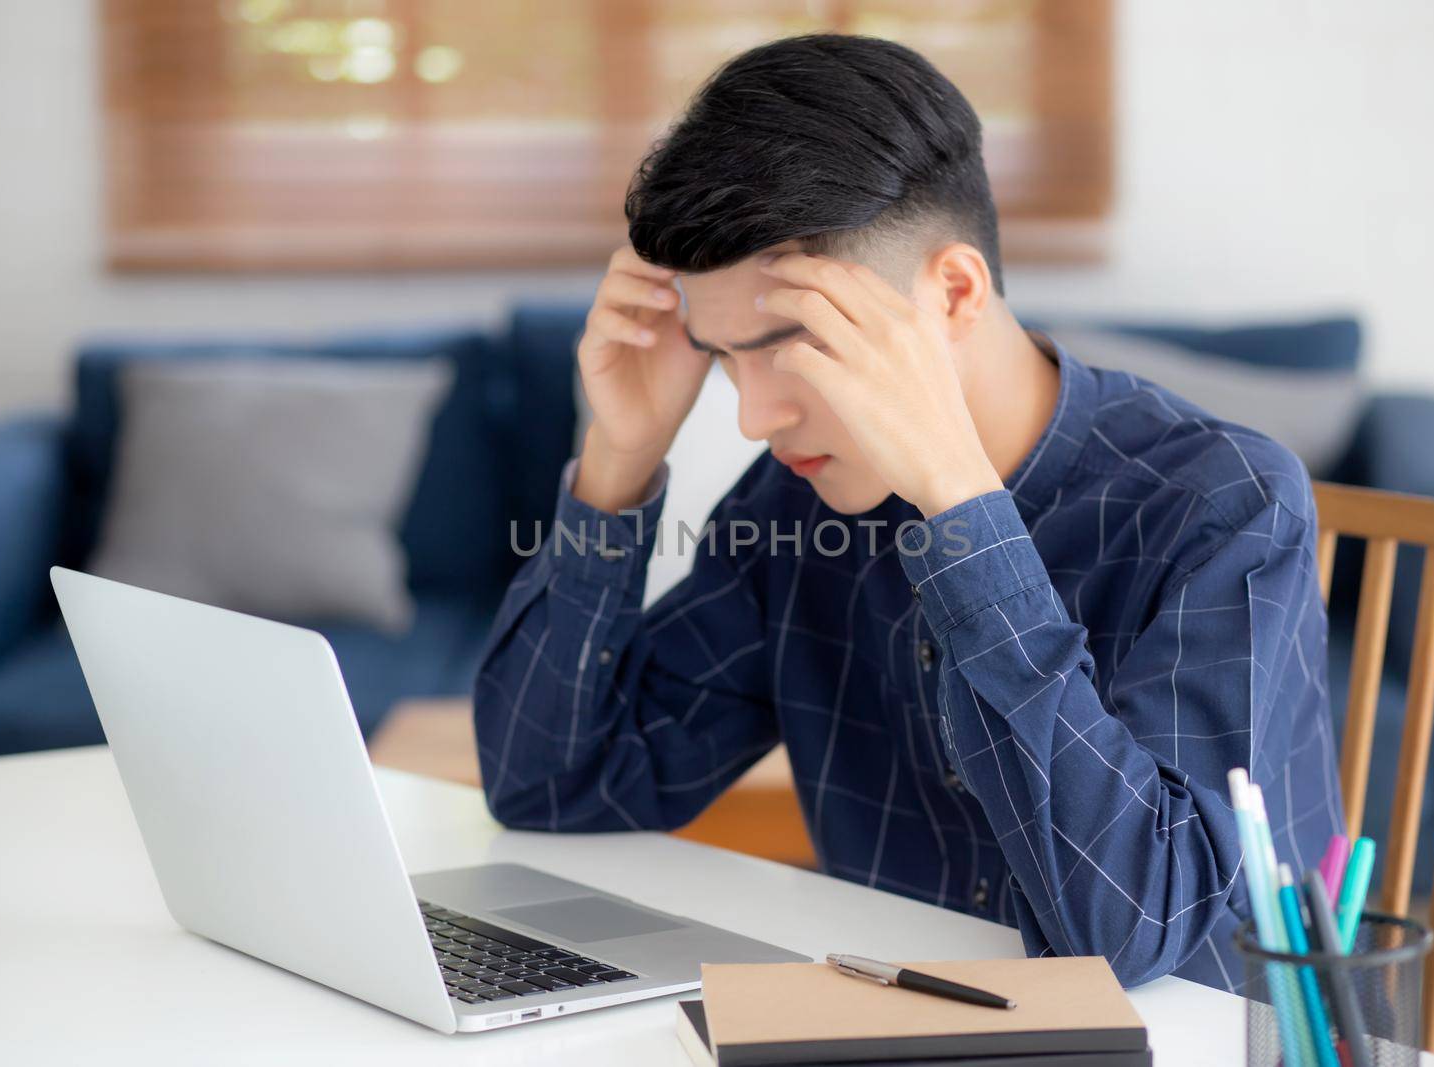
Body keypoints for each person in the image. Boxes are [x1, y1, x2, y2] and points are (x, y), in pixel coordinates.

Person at [472, 34, 1343, 991]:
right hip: (901, 1023)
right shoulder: (799, 502)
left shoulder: (1223, 503)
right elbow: (550, 785)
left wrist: (962, 514)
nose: (756, 417)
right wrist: (620, 459)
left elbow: (1132, 930)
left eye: (793, 343)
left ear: (956, 292)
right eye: (724, 355)